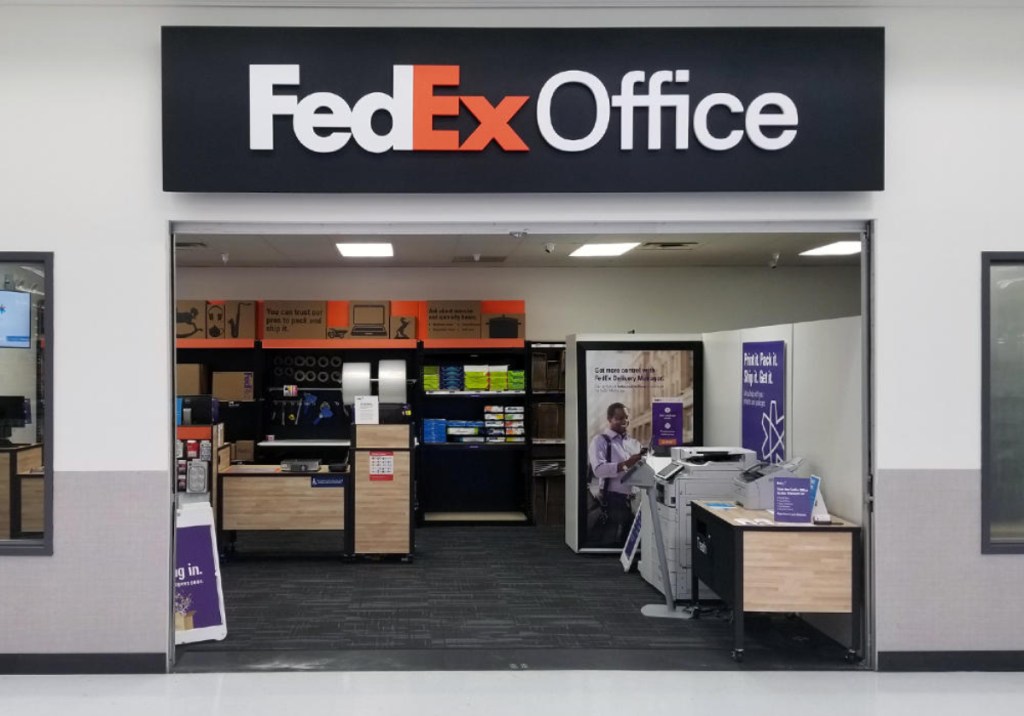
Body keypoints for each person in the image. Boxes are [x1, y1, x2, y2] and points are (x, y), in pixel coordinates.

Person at [586, 402, 646, 547]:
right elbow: (599, 470)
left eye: (626, 417)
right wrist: (626, 463)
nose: (624, 421)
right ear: (609, 419)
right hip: (613, 500)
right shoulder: (600, 441)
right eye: (619, 418)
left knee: (633, 543)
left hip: (635, 500)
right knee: (612, 542)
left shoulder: (634, 443)